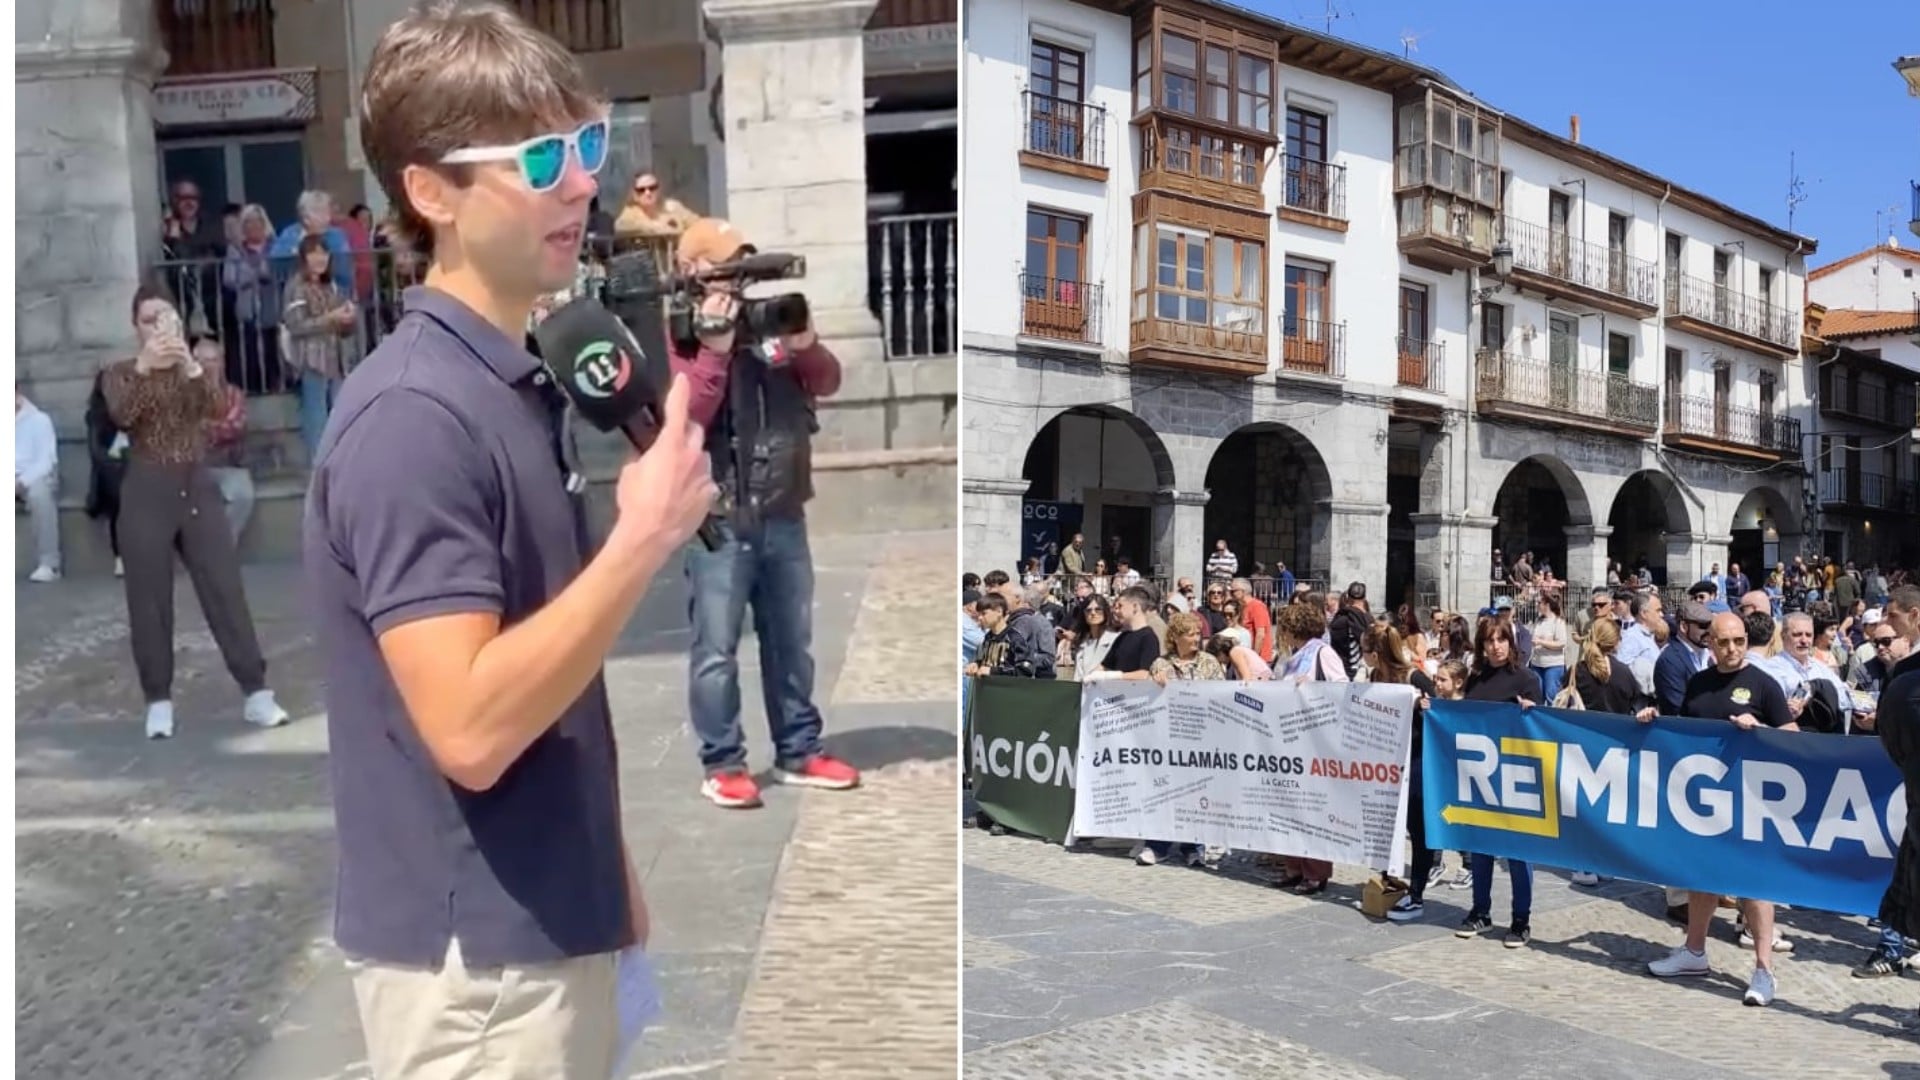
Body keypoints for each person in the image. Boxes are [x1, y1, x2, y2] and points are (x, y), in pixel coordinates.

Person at [305, 5, 717, 1073]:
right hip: (481, 969)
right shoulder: (413, 418)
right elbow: (472, 727)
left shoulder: (508, 379)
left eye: (587, 146)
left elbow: (549, 679)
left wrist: (606, 873)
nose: (582, 182)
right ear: (431, 190)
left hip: (546, 923)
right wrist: (641, 541)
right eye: (541, 156)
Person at [667, 215, 861, 809]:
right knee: (716, 649)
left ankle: (800, 749)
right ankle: (723, 762)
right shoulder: (678, 332)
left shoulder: (767, 319)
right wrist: (716, 351)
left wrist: (803, 344)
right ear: (691, 269)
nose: (735, 276)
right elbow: (689, 414)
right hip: (719, 515)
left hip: (783, 508)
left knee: (791, 641)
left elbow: (825, 380)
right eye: (723, 263)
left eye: (741, 263)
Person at [106, 287, 289, 739]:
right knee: (149, 599)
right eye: (149, 319)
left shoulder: (191, 372)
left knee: (224, 587)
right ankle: (158, 701)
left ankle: (257, 693)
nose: (158, 326)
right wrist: (148, 365)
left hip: (196, 486)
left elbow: (214, 406)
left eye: (165, 317)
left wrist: (191, 366)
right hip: (147, 489)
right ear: (136, 327)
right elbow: (122, 415)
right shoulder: (120, 372)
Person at [1648, 612, 1795, 1006]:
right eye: (1724, 642)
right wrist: (1651, 721)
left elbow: (1793, 739)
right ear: (1709, 644)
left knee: (1754, 885)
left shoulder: (1764, 685)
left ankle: (1764, 970)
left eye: (1739, 641)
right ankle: (1694, 951)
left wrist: (1760, 730)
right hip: (1705, 802)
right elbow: (1683, 733)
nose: (1732, 649)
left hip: (1752, 802)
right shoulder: (1698, 684)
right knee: (1702, 876)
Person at [1456, 616, 1541, 948]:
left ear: (1511, 642)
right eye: (1489, 641)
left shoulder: (1527, 679)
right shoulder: (1476, 680)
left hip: (1516, 775)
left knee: (1518, 853)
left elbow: (1542, 726)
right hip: (1482, 775)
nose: (1495, 646)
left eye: (1501, 640)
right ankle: (1480, 910)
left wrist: (1532, 710)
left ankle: (1521, 919)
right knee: (1480, 847)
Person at [282, 233, 362, 457]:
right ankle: (318, 466)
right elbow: (295, 325)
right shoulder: (296, 286)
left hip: (336, 359)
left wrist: (348, 319)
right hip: (312, 360)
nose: (320, 258)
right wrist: (330, 318)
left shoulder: (332, 286)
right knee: (316, 415)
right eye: (314, 253)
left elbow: (342, 324)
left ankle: (340, 461)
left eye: (323, 253)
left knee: (340, 413)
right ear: (304, 258)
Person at [16, 386, 62, 582]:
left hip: (35, 475)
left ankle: (49, 564)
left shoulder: (39, 420)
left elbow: (46, 460)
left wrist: (21, 482)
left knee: (39, 495)